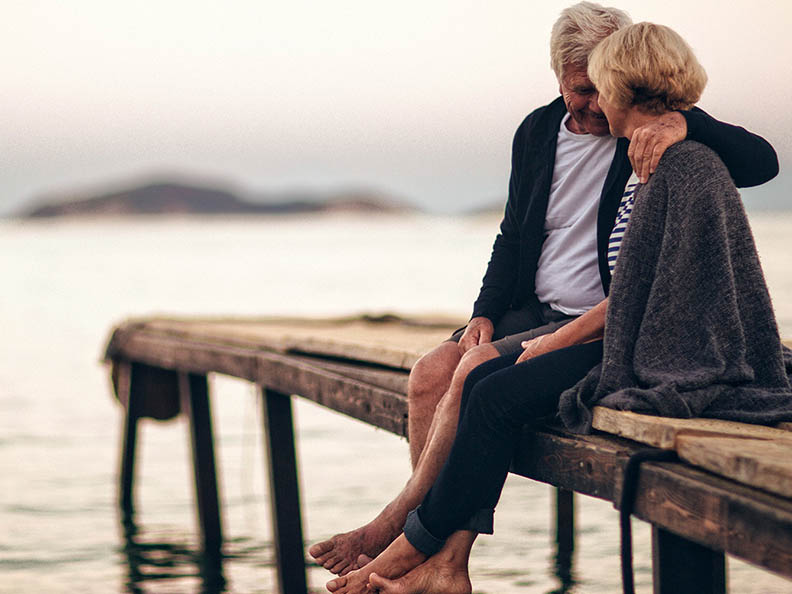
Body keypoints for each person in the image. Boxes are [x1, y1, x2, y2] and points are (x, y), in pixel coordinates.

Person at [309, 0, 780, 580]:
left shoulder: (649, 135)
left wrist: (685, 122)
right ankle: (429, 555)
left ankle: (413, 539)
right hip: (535, 306)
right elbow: (515, 233)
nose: (590, 103)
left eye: (600, 88)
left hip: (599, 315)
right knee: (433, 370)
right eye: (578, 88)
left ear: (622, 79)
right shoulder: (536, 131)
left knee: (475, 374)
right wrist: (485, 310)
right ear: (558, 77)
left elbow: (760, 164)